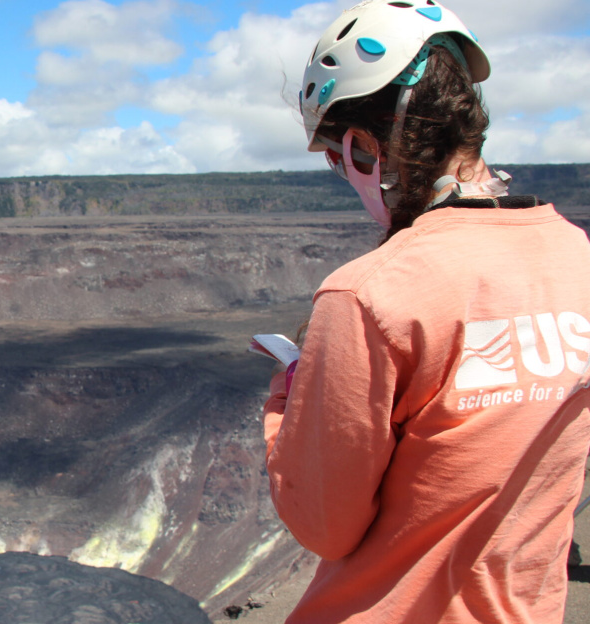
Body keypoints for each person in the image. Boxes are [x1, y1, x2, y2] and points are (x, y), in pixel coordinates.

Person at [262, 1, 590, 622]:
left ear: (362, 147)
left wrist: (290, 402)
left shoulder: (365, 294)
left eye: (336, 157)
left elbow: (324, 525)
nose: (342, 171)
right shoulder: (578, 255)